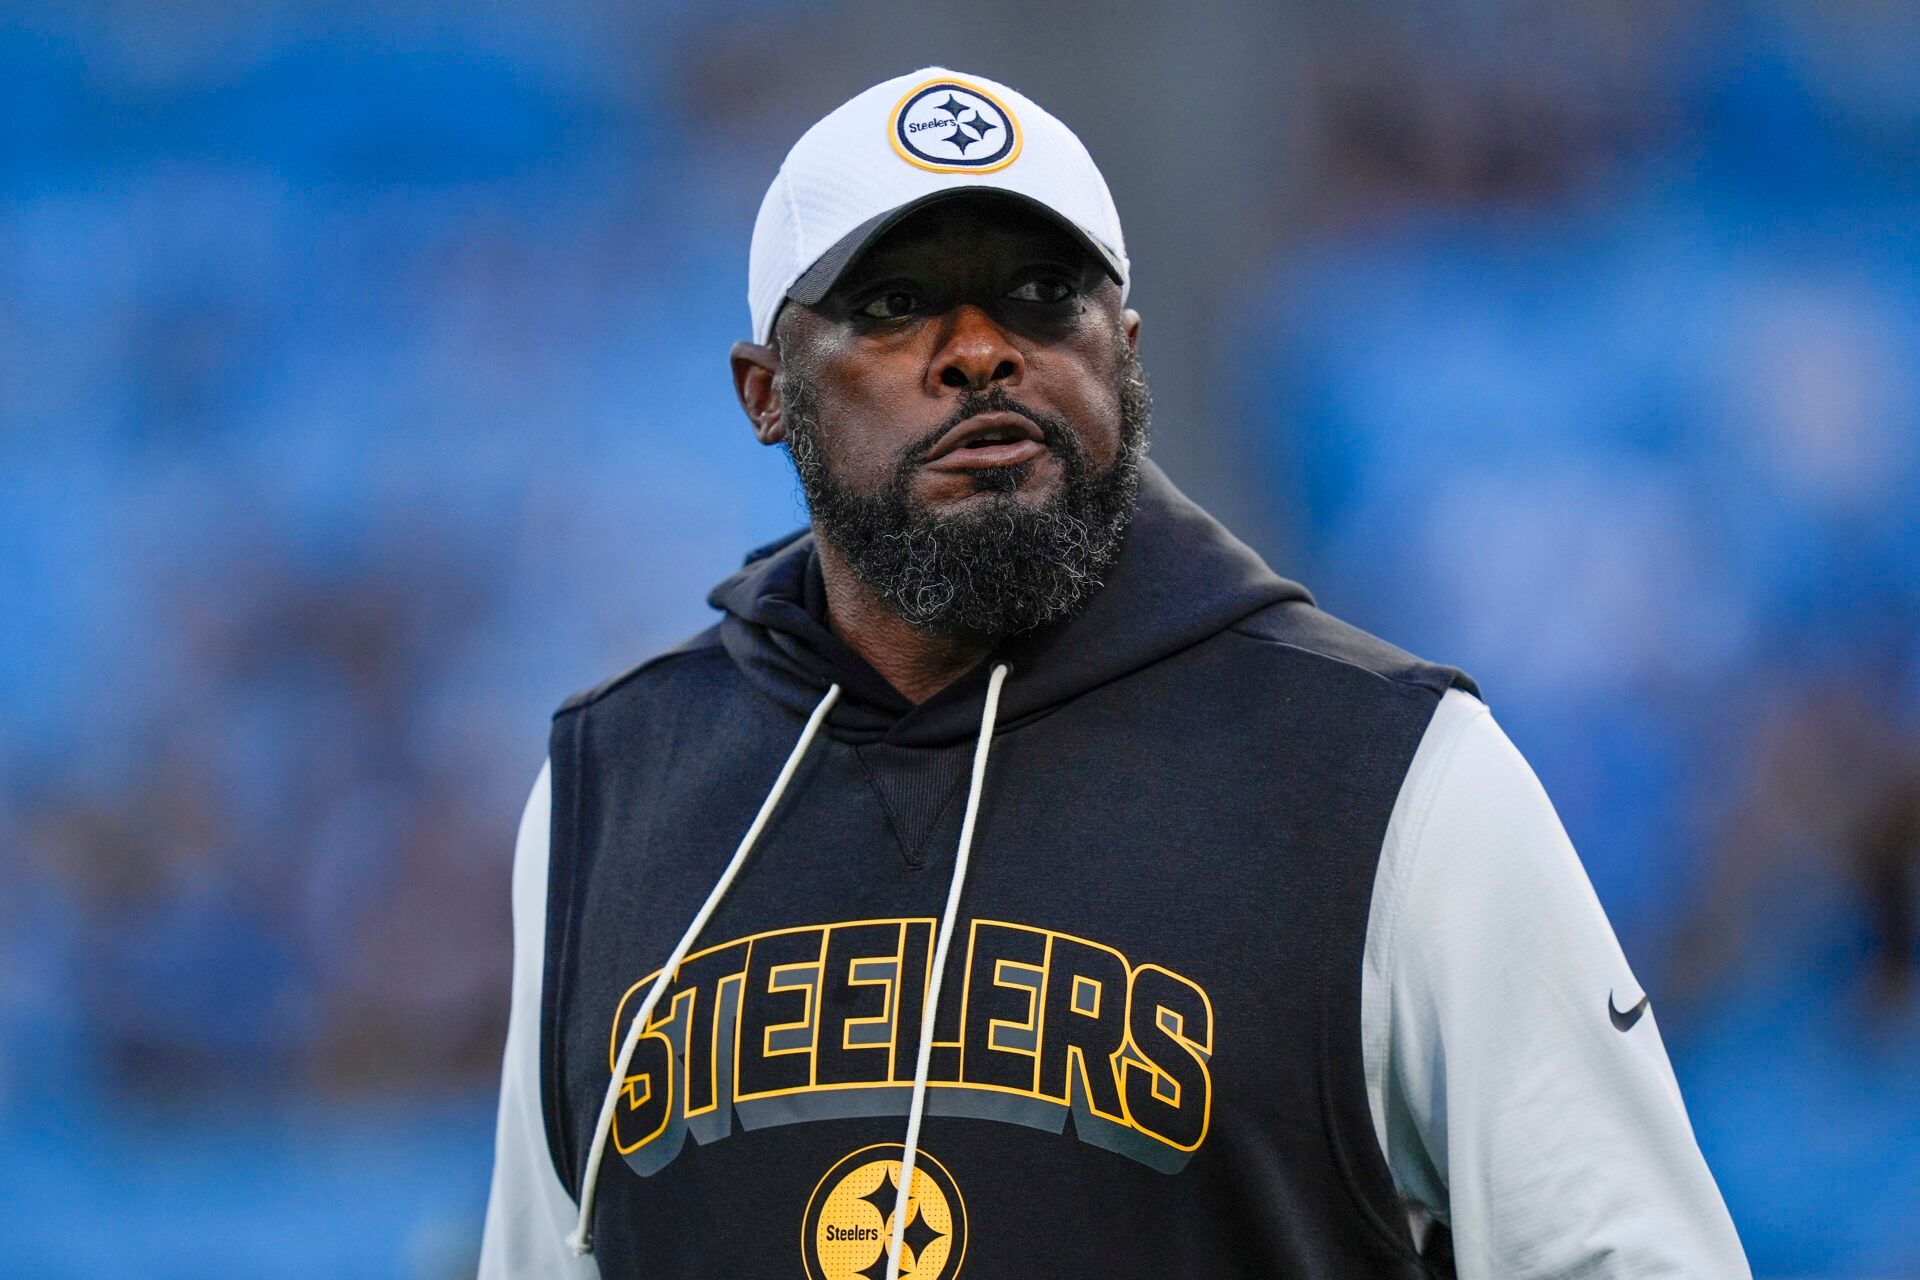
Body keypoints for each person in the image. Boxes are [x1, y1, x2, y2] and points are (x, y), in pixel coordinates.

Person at [478, 67, 1749, 1279]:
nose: (978, 352)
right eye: (893, 304)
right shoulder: (612, 786)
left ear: (1124, 350)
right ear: (766, 391)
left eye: (1041, 293)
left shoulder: (1389, 772)